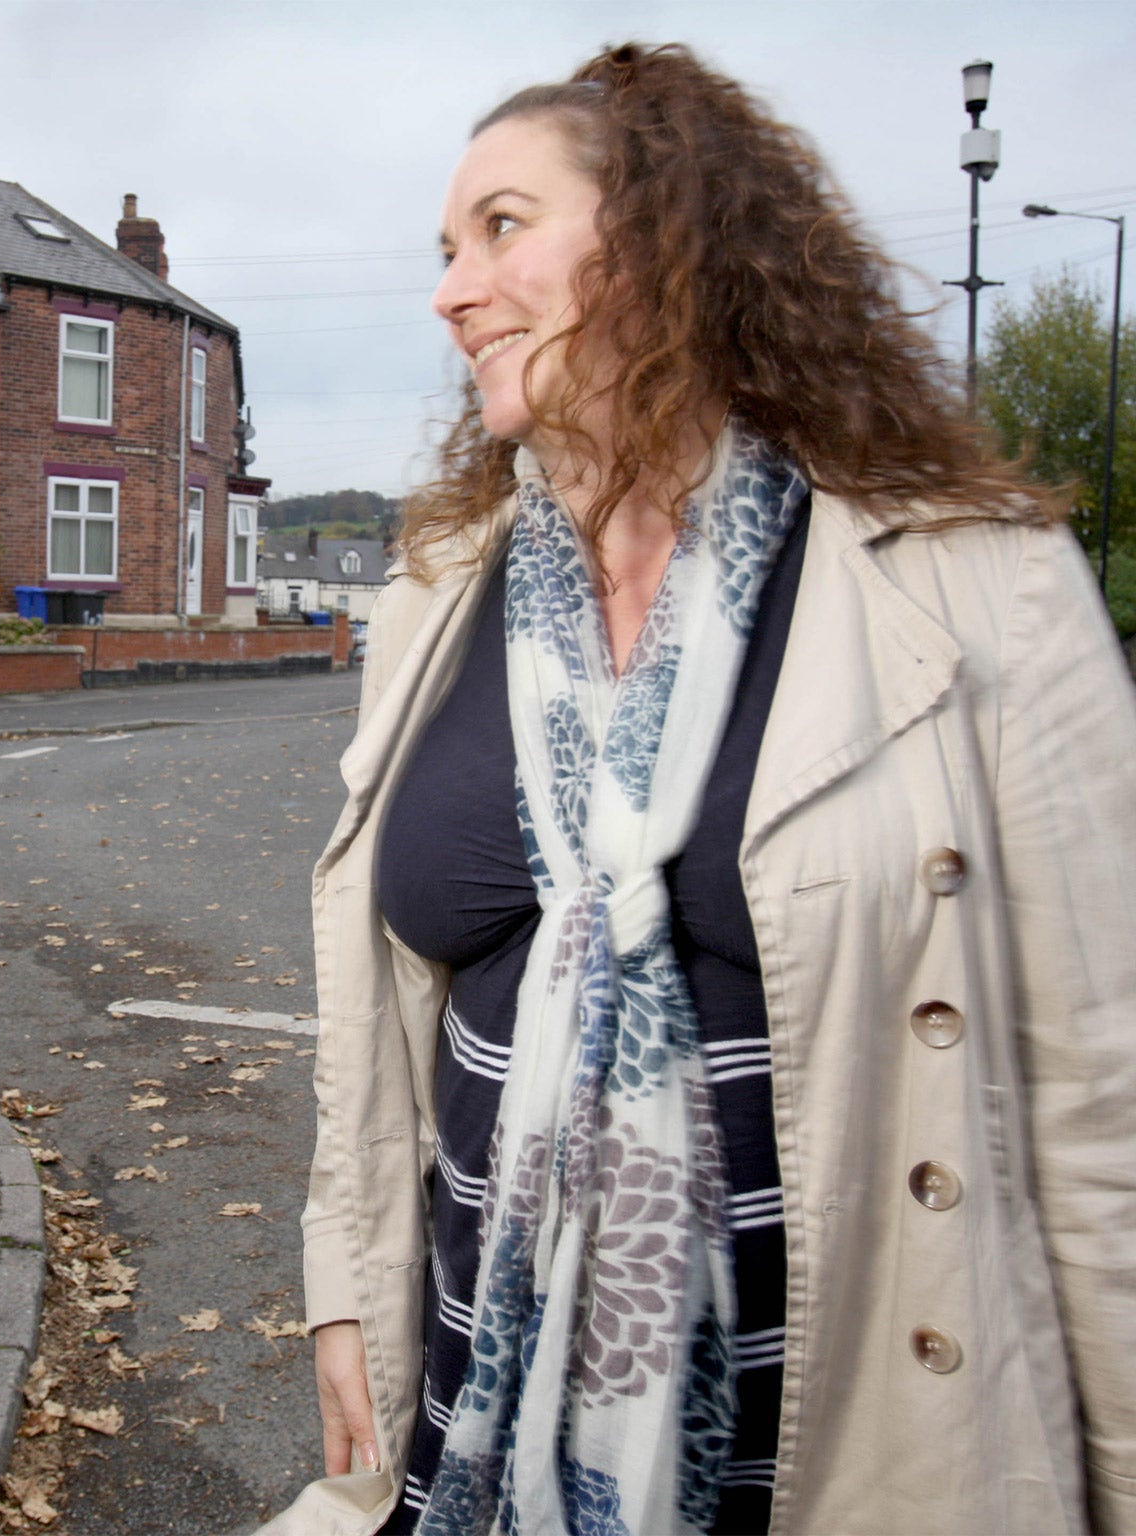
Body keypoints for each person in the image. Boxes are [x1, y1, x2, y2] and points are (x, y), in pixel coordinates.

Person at [265, 42, 1136, 1536]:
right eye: (444, 248)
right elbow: (377, 1024)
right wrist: (345, 1281)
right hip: (469, 1418)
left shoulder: (976, 580)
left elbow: (1102, 1099)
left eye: (502, 227)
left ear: (664, 242)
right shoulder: (435, 595)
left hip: (849, 1442)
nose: (450, 289)